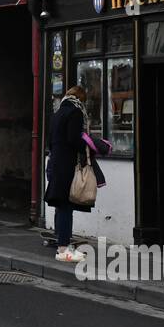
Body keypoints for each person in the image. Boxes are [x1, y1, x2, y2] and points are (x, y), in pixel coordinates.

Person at [44, 86, 112, 263]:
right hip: (67, 165)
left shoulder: (57, 113)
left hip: (56, 163)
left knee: (61, 205)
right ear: (80, 99)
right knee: (67, 206)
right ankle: (64, 249)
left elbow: (51, 140)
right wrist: (90, 147)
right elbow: (74, 139)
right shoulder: (75, 112)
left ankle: (61, 242)